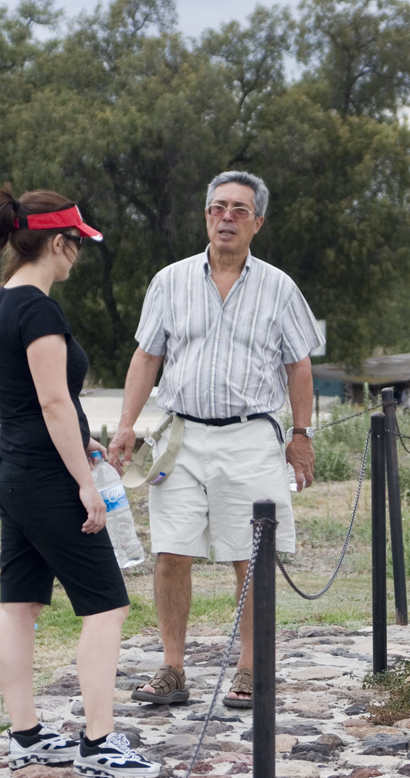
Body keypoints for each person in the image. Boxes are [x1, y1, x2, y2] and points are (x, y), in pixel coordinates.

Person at [108, 171, 323, 709]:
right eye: (218, 207)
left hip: (251, 436)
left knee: (250, 554)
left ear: (258, 222)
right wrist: (126, 423)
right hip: (181, 436)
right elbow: (147, 356)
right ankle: (172, 669)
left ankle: (251, 670)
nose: (227, 217)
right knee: (170, 551)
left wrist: (302, 434)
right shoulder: (170, 280)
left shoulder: (279, 287)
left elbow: (299, 366)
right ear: (206, 215)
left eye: (239, 210)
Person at [0, 187, 159, 777]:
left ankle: (26, 735)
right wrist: (84, 479)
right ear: (58, 242)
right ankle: (100, 743)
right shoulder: (39, 308)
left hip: (12, 468)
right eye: (76, 244)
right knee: (106, 606)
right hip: (47, 477)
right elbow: (54, 401)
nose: (77, 255)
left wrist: (81, 442)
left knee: (20, 604)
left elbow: (32, 403)